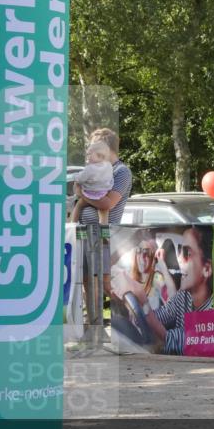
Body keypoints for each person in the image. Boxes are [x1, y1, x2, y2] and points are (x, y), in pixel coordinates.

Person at [123, 226, 214, 356]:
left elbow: (171, 339)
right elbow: (159, 317)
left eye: (187, 253)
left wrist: (142, 302)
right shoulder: (184, 296)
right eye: (179, 252)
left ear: (206, 269)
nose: (180, 260)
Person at [77, 128, 133, 329]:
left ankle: (134, 322)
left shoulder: (121, 172)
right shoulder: (96, 171)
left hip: (105, 236)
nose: (92, 155)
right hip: (85, 234)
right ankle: (94, 329)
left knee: (108, 285)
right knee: (87, 282)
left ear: (108, 150)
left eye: (96, 150)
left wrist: (83, 198)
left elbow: (107, 203)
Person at [70, 141, 113, 224]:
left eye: (89, 154)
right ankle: (104, 233)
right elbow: (110, 178)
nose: (87, 156)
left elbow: (80, 179)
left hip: (89, 193)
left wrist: (74, 176)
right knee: (104, 211)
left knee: (78, 205)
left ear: (100, 155)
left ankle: (73, 223)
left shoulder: (90, 168)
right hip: (102, 194)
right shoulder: (108, 165)